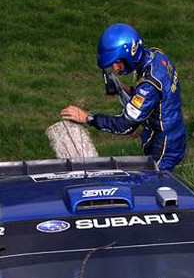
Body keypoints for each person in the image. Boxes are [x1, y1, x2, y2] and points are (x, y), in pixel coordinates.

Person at [61, 23, 187, 171]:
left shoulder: (149, 85)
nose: (115, 68)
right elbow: (158, 96)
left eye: (117, 62)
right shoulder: (156, 56)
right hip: (173, 133)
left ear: (130, 53)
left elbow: (125, 125)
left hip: (164, 147)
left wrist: (88, 118)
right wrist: (125, 90)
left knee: (150, 190)